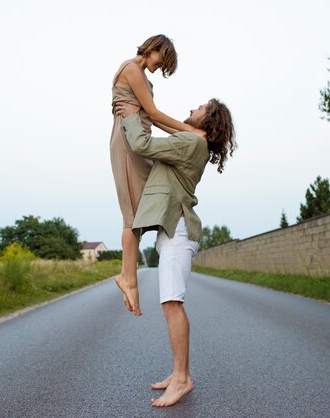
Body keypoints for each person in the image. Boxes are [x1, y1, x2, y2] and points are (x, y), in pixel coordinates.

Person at [116, 98, 236, 407]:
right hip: (176, 229)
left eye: (202, 106)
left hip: (178, 231)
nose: (195, 106)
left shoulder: (190, 143)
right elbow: (166, 124)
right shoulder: (194, 142)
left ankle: (182, 379)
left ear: (209, 120)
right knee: (172, 303)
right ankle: (178, 372)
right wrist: (149, 114)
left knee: (172, 304)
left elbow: (142, 145)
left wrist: (130, 116)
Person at [110, 34, 204, 317]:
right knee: (132, 212)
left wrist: (190, 137)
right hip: (129, 143)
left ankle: (130, 279)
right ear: (153, 48)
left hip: (137, 140)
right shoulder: (131, 69)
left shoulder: (140, 74)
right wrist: (189, 131)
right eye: (161, 60)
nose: (160, 67)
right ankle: (128, 278)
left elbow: (152, 118)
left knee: (141, 209)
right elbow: (152, 112)